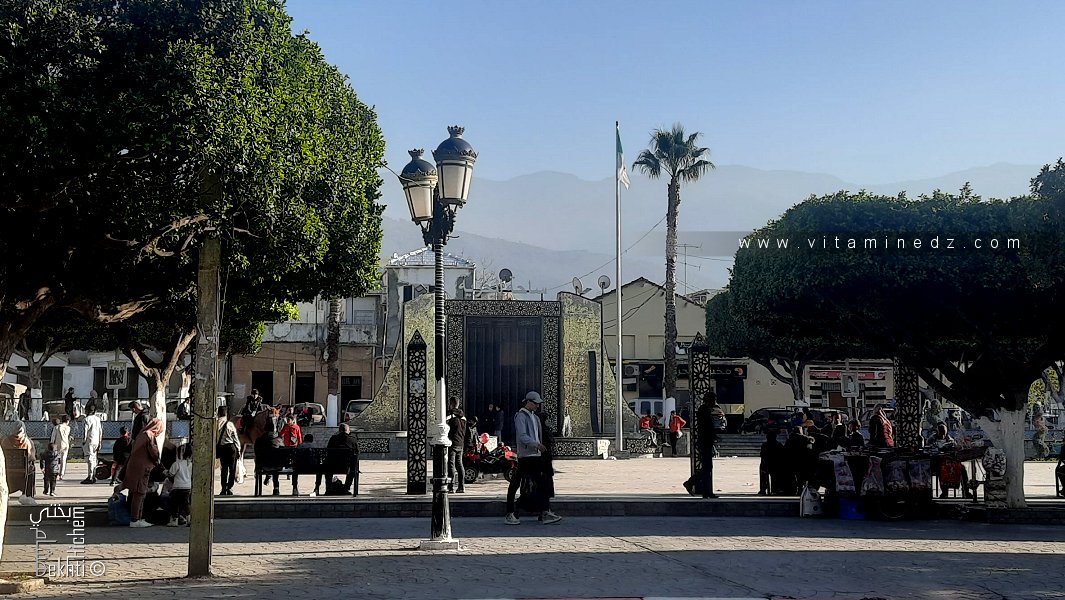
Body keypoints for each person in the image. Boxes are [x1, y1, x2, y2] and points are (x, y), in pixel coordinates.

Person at [504, 391, 562, 525]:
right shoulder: (521, 416)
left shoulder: (534, 418)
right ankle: (510, 512)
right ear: (528, 402)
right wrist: (536, 445)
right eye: (535, 403)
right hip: (526, 456)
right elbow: (522, 436)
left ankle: (544, 512)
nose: (537, 406)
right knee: (516, 484)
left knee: (541, 484)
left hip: (535, 455)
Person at [121, 416, 164, 527]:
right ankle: (136, 519)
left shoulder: (142, 433)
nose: (159, 432)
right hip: (142, 468)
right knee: (140, 493)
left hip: (135, 466)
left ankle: (137, 518)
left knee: (136, 492)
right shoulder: (149, 435)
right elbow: (154, 453)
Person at [695, 391, 724, 499]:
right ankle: (703, 489)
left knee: (707, 467)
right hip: (705, 441)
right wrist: (713, 435)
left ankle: (706, 490)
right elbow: (707, 426)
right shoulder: (704, 410)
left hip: (706, 441)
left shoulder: (705, 410)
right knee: (707, 467)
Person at [4, 424, 37, 500]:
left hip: (7, 469)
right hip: (23, 470)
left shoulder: (5, 441)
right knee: (32, 468)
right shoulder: (28, 442)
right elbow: (32, 457)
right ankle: (28, 493)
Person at [326, 423, 360, 496]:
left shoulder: (333, 439)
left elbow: (328, 451)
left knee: (328, 469)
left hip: (333, 466)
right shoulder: (352, 440)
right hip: (347, 467)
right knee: (353, 470)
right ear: (347, 430)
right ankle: (346, 488)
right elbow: (357, 453)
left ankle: (328, 488)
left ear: (339, 430)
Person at [216, 406, 241, 496]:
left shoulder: (215, 423)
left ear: (218, 413)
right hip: (231, 448)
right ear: (226, 414)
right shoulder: (230, 424)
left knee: (224, 469)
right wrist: (238, 450)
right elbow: (236, 439)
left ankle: (223, 488)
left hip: (221, 448)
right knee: (232, 469)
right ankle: (229, 487)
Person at [254, 422, 284, 496]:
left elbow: (256, 453)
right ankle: (276, 488)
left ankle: (268, 475)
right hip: (277, 466)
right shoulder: (279, 440)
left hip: (264, 466)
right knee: (276, 464)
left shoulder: (259, 440)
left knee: (267, 461)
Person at [167, 444, 192, 526]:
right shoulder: (191, 464)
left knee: (175, 504)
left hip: (177, 487)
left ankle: (174, 520)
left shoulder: (177, 464)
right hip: (188, 486)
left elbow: (170, 474)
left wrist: (164, 471)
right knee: (186, 503)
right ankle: (189, 519)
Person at [446, 399, 466, 494]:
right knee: (460, 465)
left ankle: (450, 487)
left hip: (452, 442)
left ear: (451, 404)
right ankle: (461, 486)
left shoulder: (450, 416)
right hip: (460, 443)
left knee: (451, 465)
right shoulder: (463, 417)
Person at [758, 429, 784, 496]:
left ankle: (763, 489)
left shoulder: (764, 445)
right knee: (776, 476)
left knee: (763, 475)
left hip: (766, 465)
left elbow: (762, 455)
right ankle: (775, 489)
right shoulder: (779, 445)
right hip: (776, 465)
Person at [81, 405, 102, 484]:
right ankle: (93, 474)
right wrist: (100, 441)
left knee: (89, 458)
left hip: (89, 440)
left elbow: (85, 430)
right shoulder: (97, 419)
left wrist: (84, 440)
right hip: (96, 440)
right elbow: (100, 431)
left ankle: (90, 476)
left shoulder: (86, 419)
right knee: (94, 458)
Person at [50, 415, 71, 481]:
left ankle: (55, 473)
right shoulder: (68, 428)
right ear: (67, 421)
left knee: (56, 459)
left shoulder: (57, 427)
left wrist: (51, 443)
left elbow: (53, 437)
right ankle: (61, 474)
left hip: (57, 444)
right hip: (66, 444)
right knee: (63, 459)